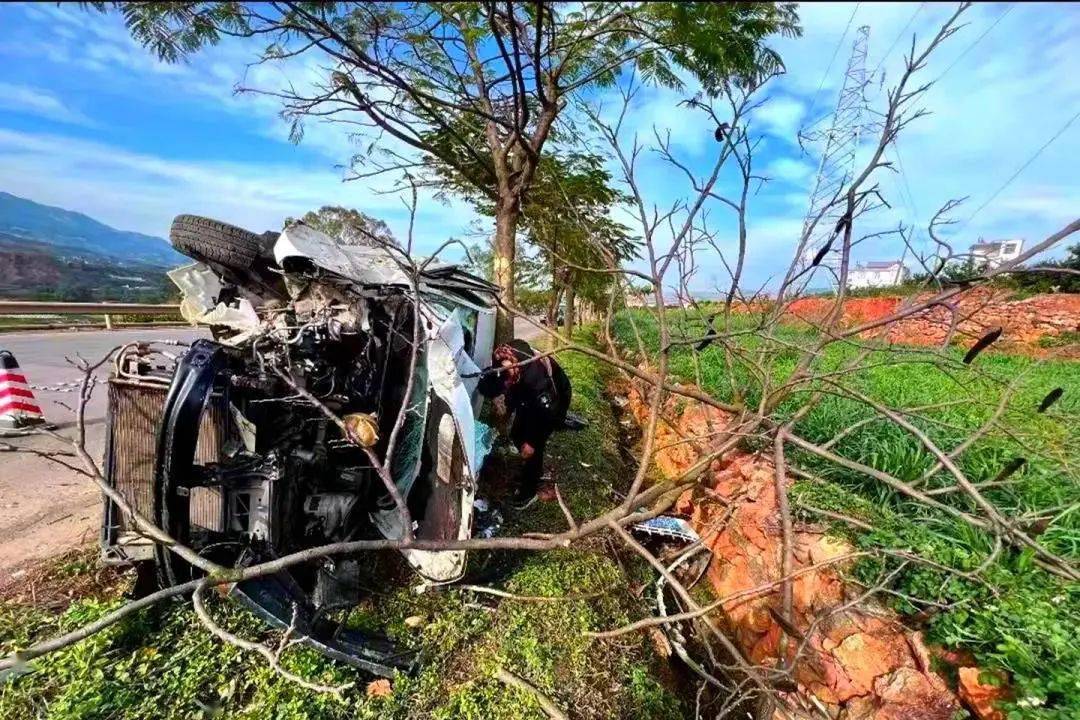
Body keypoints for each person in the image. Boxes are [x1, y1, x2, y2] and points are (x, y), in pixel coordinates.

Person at [477, 339, 571, 509]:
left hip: (554, 399)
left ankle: (529, 490)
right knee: (516, 433)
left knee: (533, 448)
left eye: (505, 387)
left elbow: (546, 413)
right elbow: (510, 390)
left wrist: (533, 442)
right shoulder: (501, 361)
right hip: (528, 397)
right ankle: (532, 464)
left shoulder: (535, 378)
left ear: (508, 379)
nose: (505, 388)